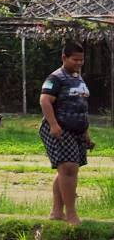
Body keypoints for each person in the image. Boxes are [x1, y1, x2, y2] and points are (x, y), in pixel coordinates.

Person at [39, 43, 95, 225]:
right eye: (75, 59)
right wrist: (54, 125)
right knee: (69, 167)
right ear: (64, 58)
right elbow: (45, 101)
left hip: (77, 130)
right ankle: (71, 215)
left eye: (82, 59)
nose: (79, 63)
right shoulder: (55, 78)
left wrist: (86, 132)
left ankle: (56, 212)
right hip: (59, 128)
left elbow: (81, 107)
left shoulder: (78, 78)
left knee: (66, 169)